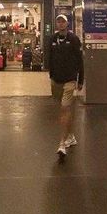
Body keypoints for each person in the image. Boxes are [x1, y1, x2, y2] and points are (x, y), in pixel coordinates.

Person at [45, 14, 83, 163]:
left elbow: (80, 60)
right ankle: (71, 135)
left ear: (67, 24)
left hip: (70, 80)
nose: (61, 24)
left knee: (65, 108)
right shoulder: (52, 39)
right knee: (62, 109)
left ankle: (62, 144)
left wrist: (80, 79)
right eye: (58, 21)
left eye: (63, 22)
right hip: (56, 80)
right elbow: (50, 57)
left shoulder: (73, 39)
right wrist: (51, 74)